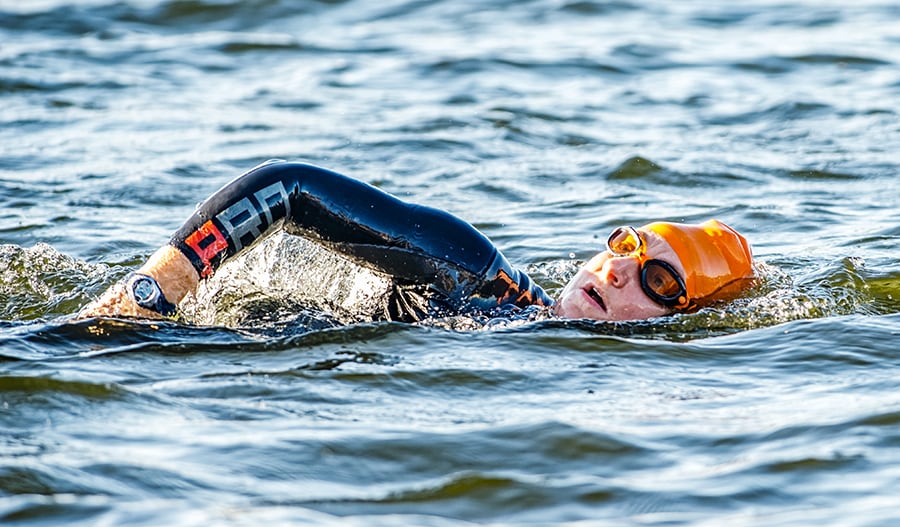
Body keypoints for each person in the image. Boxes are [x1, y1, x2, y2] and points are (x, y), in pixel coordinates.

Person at [78, 160, 755, 324]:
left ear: (682, 322)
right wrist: (149, 294)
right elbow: (287, 188)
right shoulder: (476, 275)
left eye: (658, 284)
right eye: (627, 249)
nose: (617, 276)